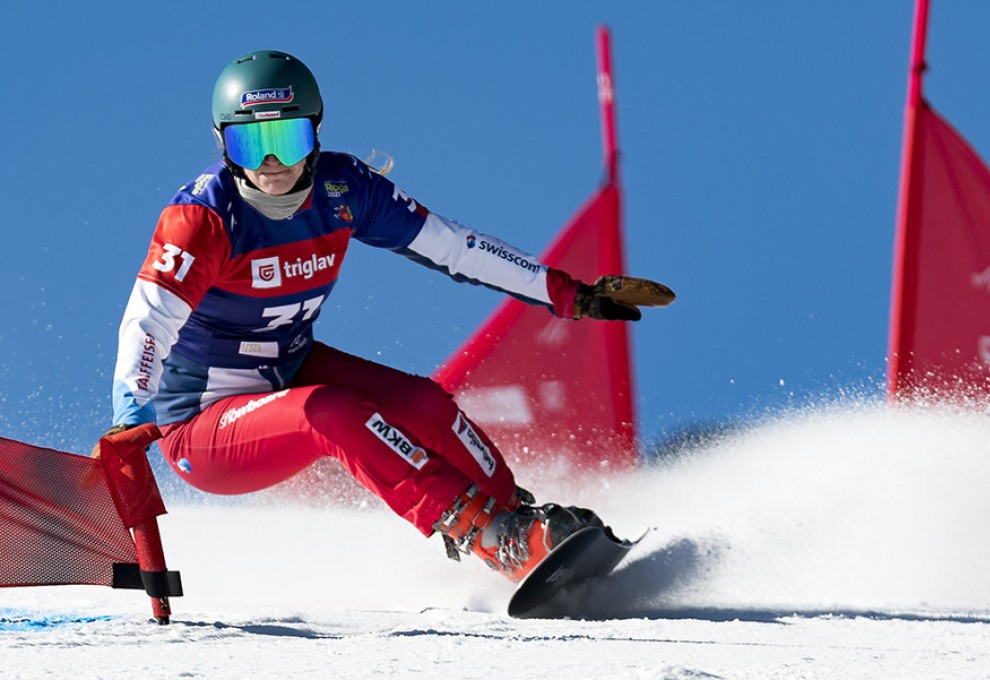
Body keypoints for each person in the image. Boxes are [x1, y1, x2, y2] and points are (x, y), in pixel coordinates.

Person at [97, 50, 674, 584]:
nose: (272, 162)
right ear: (223, 145)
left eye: (288, 138)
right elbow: (149, 321)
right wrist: (130, 416)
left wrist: (568, 293)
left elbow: (455, 248)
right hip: (204, 427)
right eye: (251, 145)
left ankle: (519, 520)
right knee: (332, 411)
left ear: (316, 133)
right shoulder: (203, 218)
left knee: (426, 404)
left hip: (286, 371)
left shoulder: (344, 188)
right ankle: (493, 537)